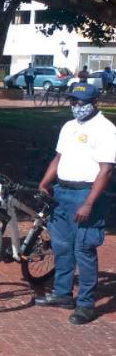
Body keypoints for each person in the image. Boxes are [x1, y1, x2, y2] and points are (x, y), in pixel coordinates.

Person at [35, 83, 115, 325]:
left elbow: (106, 171)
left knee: (84, 249)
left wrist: (89, 203)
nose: (77, 106)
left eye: (82, 102)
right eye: (73, 101)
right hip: (62, 192)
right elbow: (59, 157)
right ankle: (62, 293)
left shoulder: (106, 129)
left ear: (95, 102)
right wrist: (45, 182)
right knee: (61, 247)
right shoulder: (69, 126)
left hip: (85, 194)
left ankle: (86, 304)